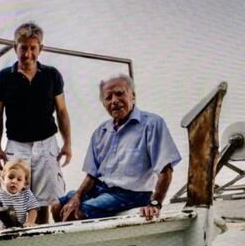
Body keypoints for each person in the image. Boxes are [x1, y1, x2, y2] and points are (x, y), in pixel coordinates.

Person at [52, 74, 181, 222]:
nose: (114, 100)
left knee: (76, 213)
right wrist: (76, 197)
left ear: (132, 96)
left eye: (119, 93)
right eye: (108, 97)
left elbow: (165, 169)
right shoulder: (101, 131)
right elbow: (92, 175)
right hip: (101, 189)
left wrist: (155, 203)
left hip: (132, 194)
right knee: (57, 206)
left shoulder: (152, 124)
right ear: (104, 104)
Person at [0, 22, 72, 224]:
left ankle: (42, 239)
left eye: (32, 48)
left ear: (40, 49)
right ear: (15, 48)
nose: (28, 53)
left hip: (46, 143)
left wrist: (67, 143)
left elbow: (62, 111)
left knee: (44, 200)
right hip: (17, 145)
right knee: (13, 197)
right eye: (23, 48)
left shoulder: (52, 75)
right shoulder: (3, 77)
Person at [0, 159, 40, 231]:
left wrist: (30, 222)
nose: (14, 181)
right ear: (3, 178)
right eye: (10, 177)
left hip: (22, 228)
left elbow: (33, 209)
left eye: (19, 179)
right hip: (5, 229)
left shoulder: (26, 193)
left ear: (24, 183)